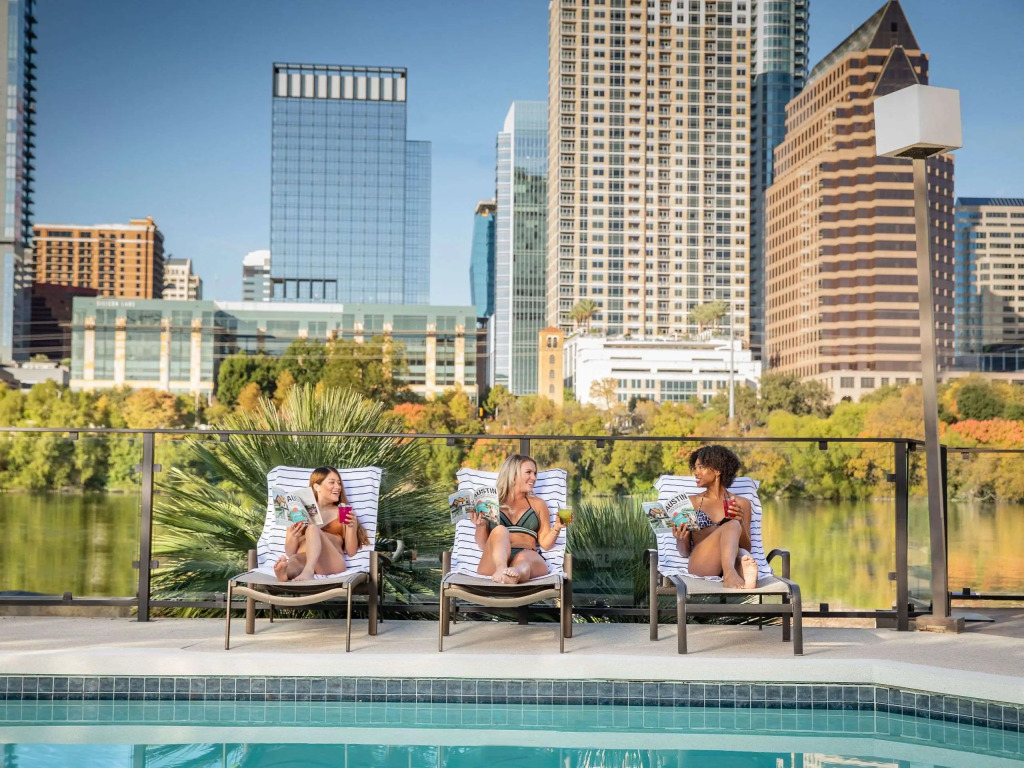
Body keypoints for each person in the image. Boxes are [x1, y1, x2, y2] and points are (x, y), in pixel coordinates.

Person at [671, 444, 759, 589]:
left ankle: (743, 575)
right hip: (701, 563)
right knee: (732, 525)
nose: (696, 472)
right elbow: (684, 552)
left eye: (701, 467)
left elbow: (746, 547)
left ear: (717, 470)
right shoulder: (690, 503)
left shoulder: (741, 503)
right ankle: (730, 574)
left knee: (739, 543)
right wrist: (680, 539)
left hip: (732, 558)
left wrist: (741, 522)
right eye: (695, 468)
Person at [473, 454, 565, 584]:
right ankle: (502, 569)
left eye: (535, 473)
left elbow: (545, 544)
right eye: (528, 472)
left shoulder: (538, 504)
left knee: (524, 557)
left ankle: (515, 573)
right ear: (513, 475)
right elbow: (483, 545)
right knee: (500, 530)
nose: (533, 478)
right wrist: (480, 525)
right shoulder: (492, 503)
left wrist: (557, 527)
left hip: (528, 557)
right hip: (494, 562)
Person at [274, 466, 369, 582]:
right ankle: (284, 573)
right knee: (294, 560)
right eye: (332, 482)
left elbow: (351, 552)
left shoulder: (343, 511)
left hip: (331, 562)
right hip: (303, 558)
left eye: (339, 483)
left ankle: (308, 571)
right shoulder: (299, 511)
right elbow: (290, 552)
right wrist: (293, 536)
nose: (338, 487)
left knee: (312, 529)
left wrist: (352, 528)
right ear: (316, 487)